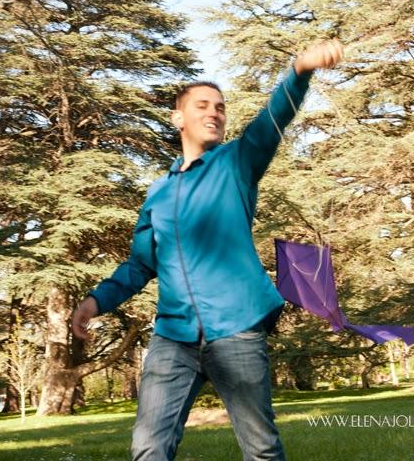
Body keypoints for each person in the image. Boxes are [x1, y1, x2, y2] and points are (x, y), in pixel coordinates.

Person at [71, 40, 344, 461]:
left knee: (261, 449)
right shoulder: (158, 194)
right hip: (172, 338)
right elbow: (140, 265)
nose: (213, 113)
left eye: (220, 107)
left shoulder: (237, 163)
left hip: (236, 327)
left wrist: (300, 71)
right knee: (148, 447)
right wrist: (94, 302)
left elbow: (273, 119)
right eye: (202, 106)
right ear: (178, 118)